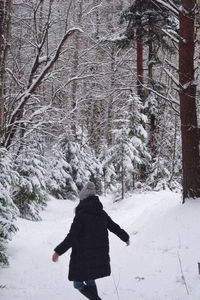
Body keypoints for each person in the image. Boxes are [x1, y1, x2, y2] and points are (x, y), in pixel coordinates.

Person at [52, 181, 130, 300]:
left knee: (77, 284)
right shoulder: (101, 213)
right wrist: (125, 237)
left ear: (83, 200)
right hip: (97, 255)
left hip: (83, 256)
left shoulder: (81, 215)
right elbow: (114, 227)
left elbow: (72, 236)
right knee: (90, 278)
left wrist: (58, 251)